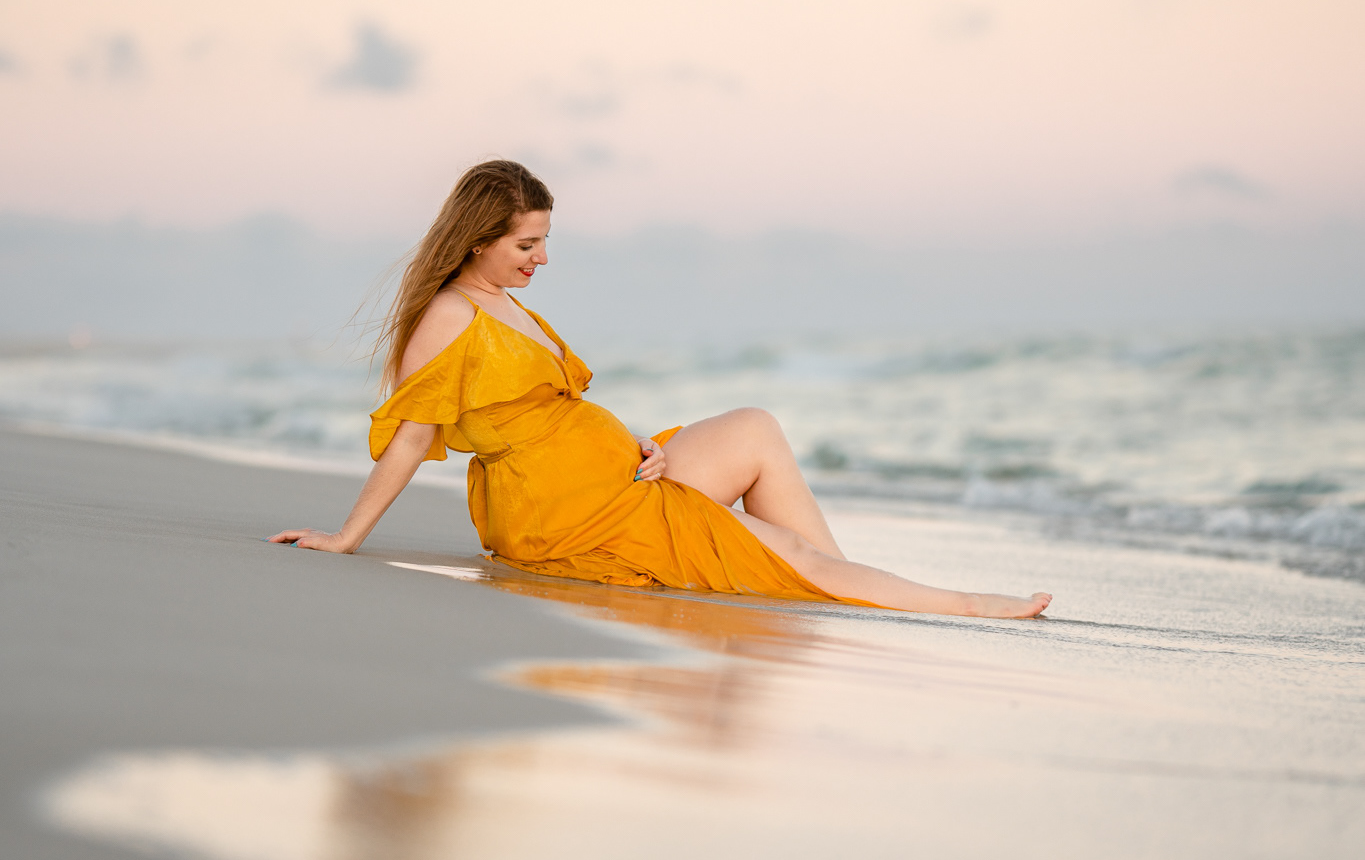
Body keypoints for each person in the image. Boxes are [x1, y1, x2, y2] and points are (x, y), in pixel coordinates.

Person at [269, 161, 1052, 619]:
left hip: (610, 474)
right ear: (477, 239)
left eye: (543, 241)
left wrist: (632, 441)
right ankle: (956, 604)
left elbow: (545, 410)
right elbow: (412, 434)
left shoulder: (500, 302)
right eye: (526, 243)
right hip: (564, 514)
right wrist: (347, 538)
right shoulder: (445, 316)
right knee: (769, 545)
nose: (541, 258)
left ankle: (833, 576)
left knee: (753, 427)